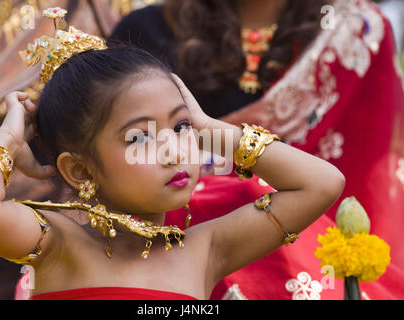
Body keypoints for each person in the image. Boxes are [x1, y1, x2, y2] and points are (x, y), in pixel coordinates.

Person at [0, 11, 345, 300]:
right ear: (78, 169)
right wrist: (10, 135)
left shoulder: (207, 249)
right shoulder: (56, 244)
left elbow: (322, 184)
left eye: (179, 129)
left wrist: (206, 127)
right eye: (139, 138)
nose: (174, 151)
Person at [108, 0, 404, 299]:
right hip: (169, 248)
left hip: (309, 239)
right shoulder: (145, 31)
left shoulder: (353, 30)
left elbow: (363, 175)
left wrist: (208, 132)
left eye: (182, 126)